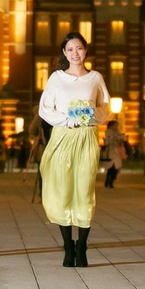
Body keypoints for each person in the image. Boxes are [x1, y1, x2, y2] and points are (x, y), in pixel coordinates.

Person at [38, 32, 111, 268]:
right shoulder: (56, 78)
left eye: (79, 48)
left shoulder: (95, 78)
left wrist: (91, 115)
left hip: (87, 137)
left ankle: (82, 246)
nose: (75, 53)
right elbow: (45, 109)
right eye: (70, 49)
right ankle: (68, 247)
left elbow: (105, 107)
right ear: (64, 52)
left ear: (85, 50)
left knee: (84, 191)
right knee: (63, 191)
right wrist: (67, 120)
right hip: (63, 137)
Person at [103, 120, 125, 188]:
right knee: (110, 168)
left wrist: (122, 139)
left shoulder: (118, 132)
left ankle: (110, 181)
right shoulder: (108, 132)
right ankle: (108, 182)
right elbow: (107, 142)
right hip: (111, 152)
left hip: (117, 152)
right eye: (116, 125)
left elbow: (123, 139)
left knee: (116, 168)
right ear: (111, 126)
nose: (117, 127)